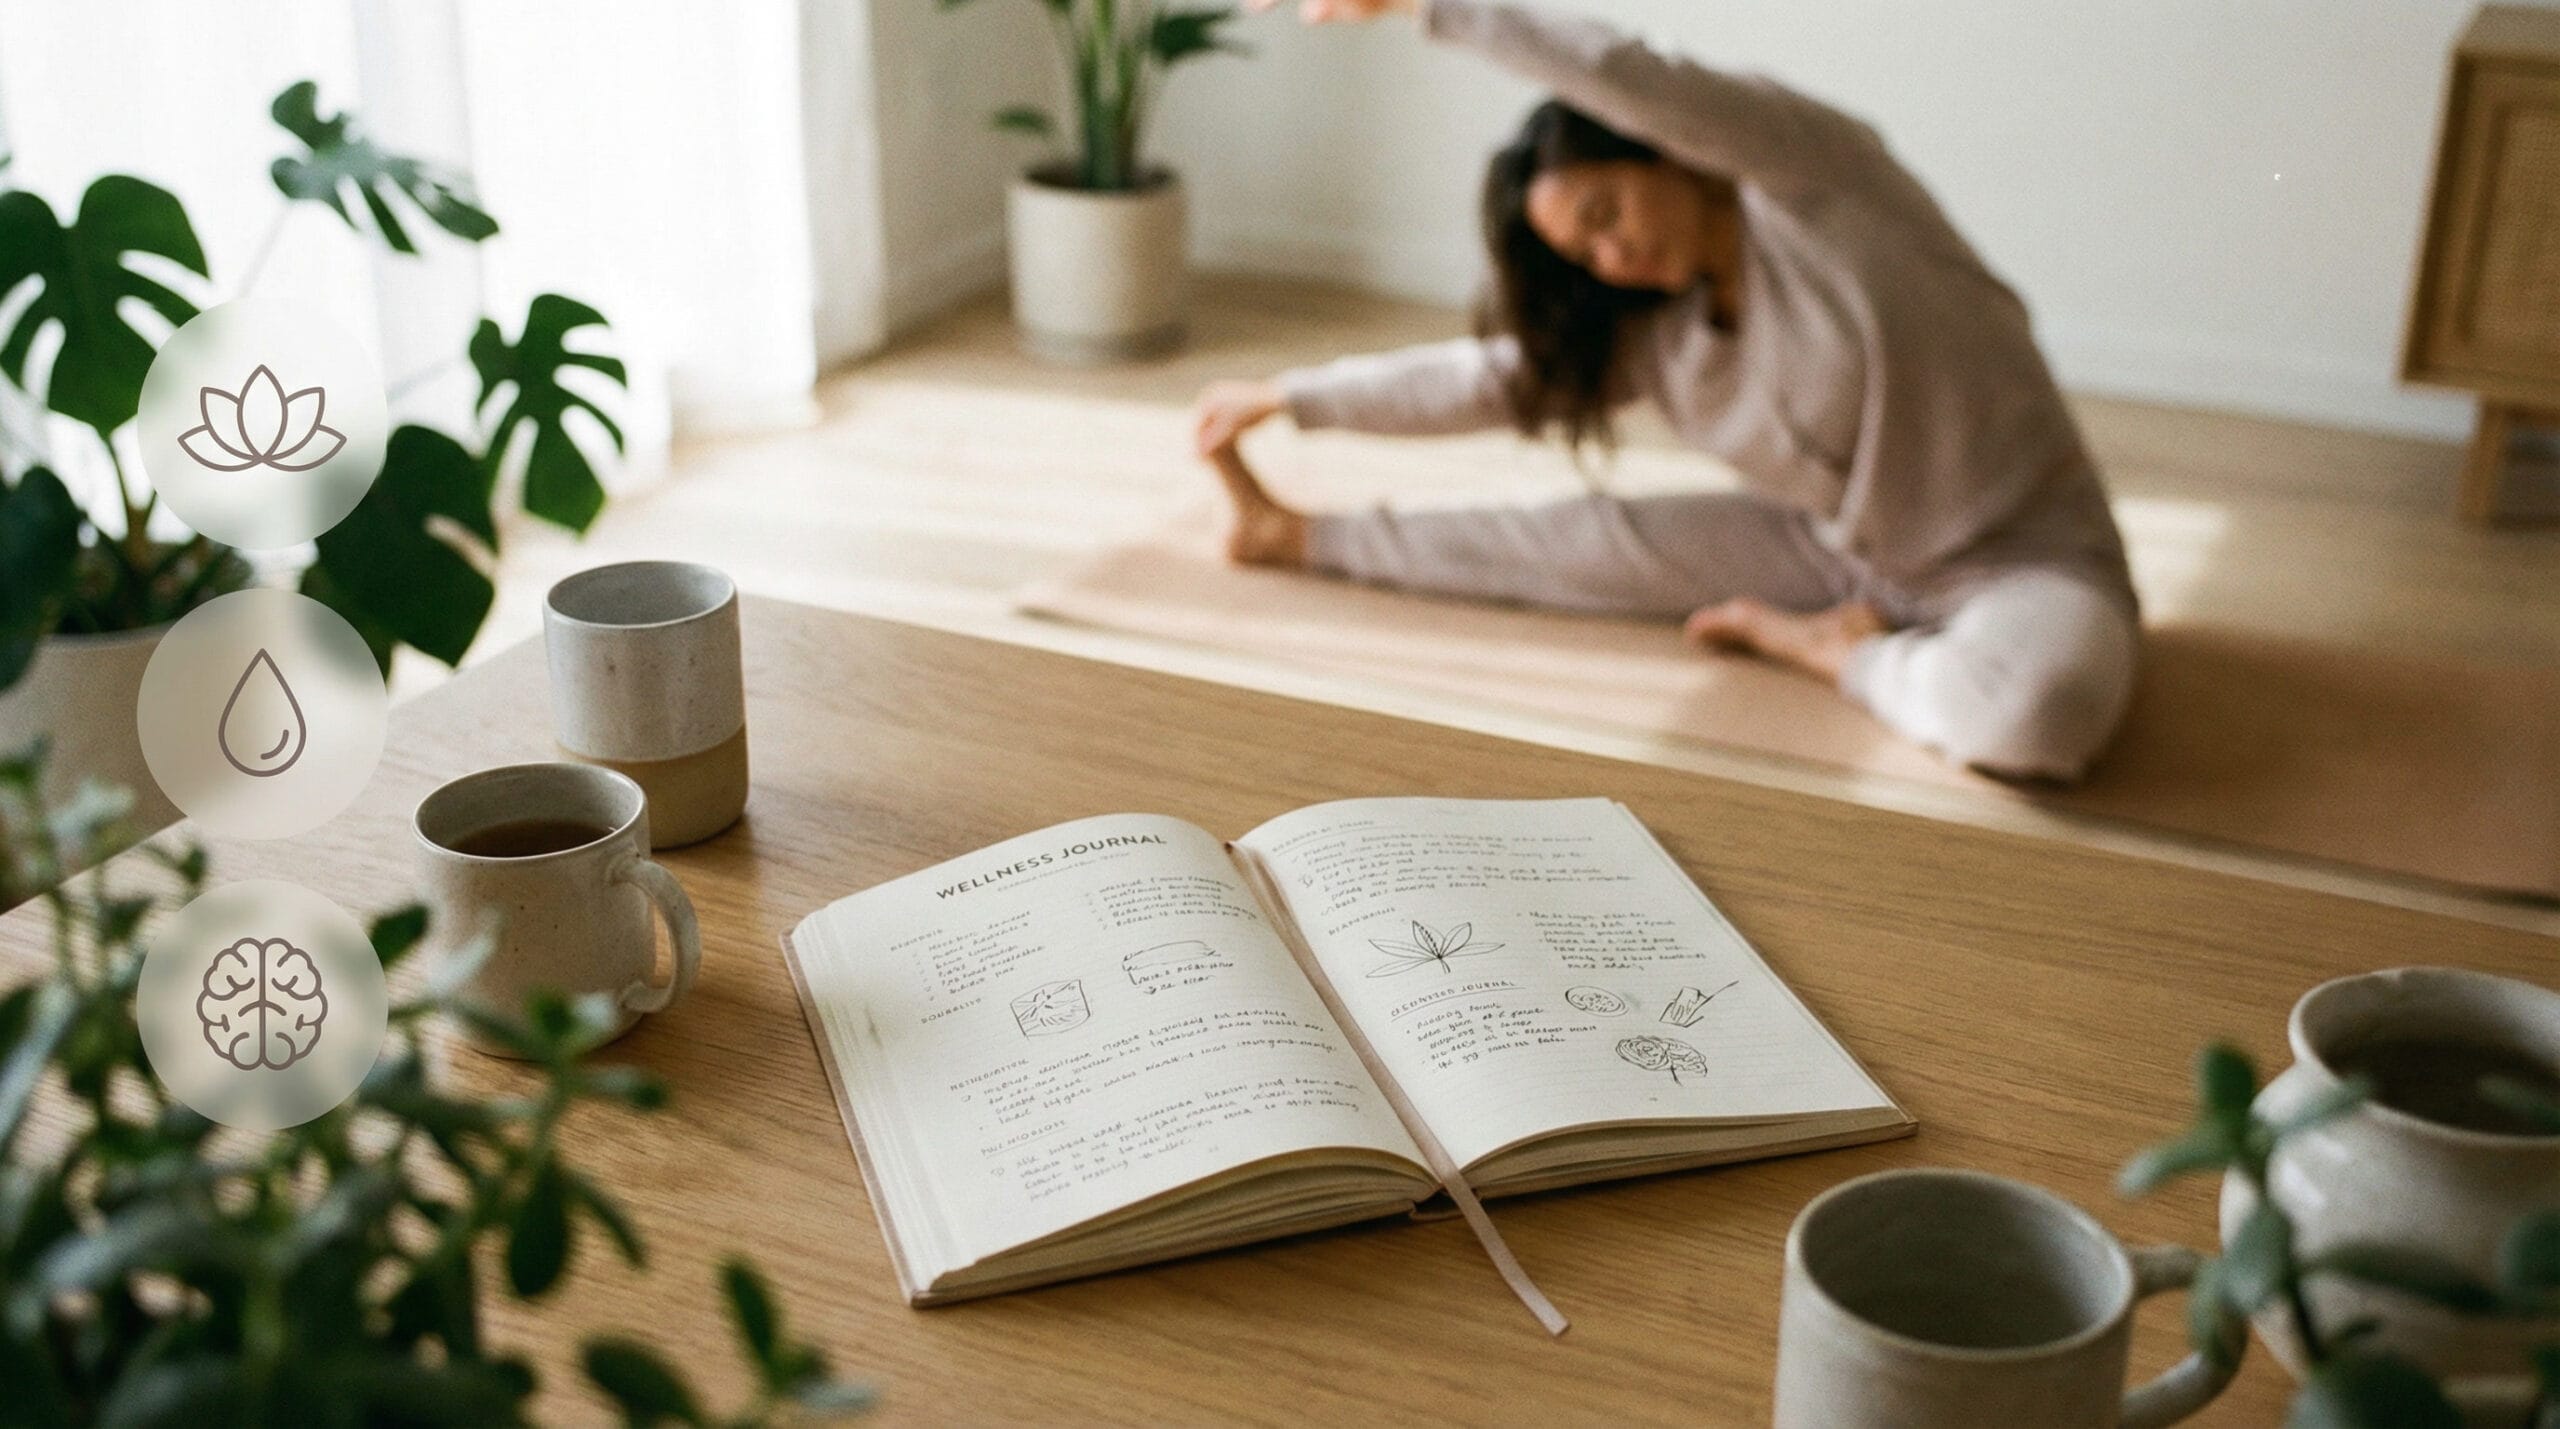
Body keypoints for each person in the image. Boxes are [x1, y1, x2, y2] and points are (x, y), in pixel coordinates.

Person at [1196, 0, 2140, 782]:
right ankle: (1296, 535)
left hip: (2026, 556)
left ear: (1664, 149)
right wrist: (1293, 396)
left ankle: (1843, 654)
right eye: (1584, 252)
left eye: (1607, 213)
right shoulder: (1656, 329)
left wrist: (1434, 6)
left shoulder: (1826, 187)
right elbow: (1494, 379)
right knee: (1579, 544)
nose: (1613, 258)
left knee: (2035, 718)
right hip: (1834, 552)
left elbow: (1638, 72)